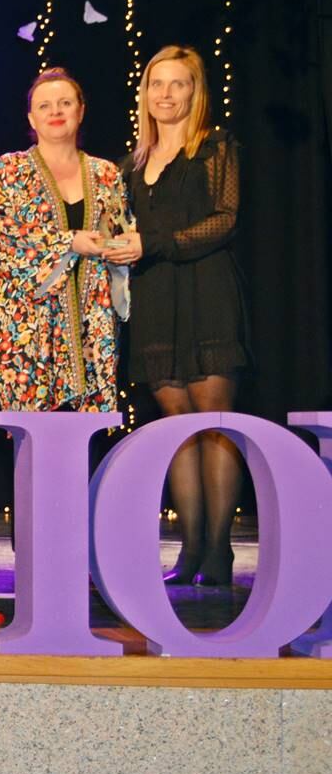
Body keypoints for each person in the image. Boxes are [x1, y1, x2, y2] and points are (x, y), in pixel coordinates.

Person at [121, 46, 248, 587]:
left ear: (195, 93)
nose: (165, 95)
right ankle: (191, 547)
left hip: (205, 291)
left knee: (212, 425)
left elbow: (225, 219)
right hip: (154, 299)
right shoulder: (131, 162)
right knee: (176, 429)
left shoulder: (214, 147)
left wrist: (155, 242)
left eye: (177, 85)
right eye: (157, 84)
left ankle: (220, 551)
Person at [0, 68, 131, 415]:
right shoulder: (9, 171)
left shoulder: (106, 173)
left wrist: (128, 245)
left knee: (86, 451)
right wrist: (69, 243)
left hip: (92, 326)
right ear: (31, 117)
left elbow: (119, 235)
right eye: (45, 105)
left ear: (80, 110)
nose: (56, 112)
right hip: (29, 332)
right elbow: (3, 239)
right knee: (36, 450)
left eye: (65, 103)